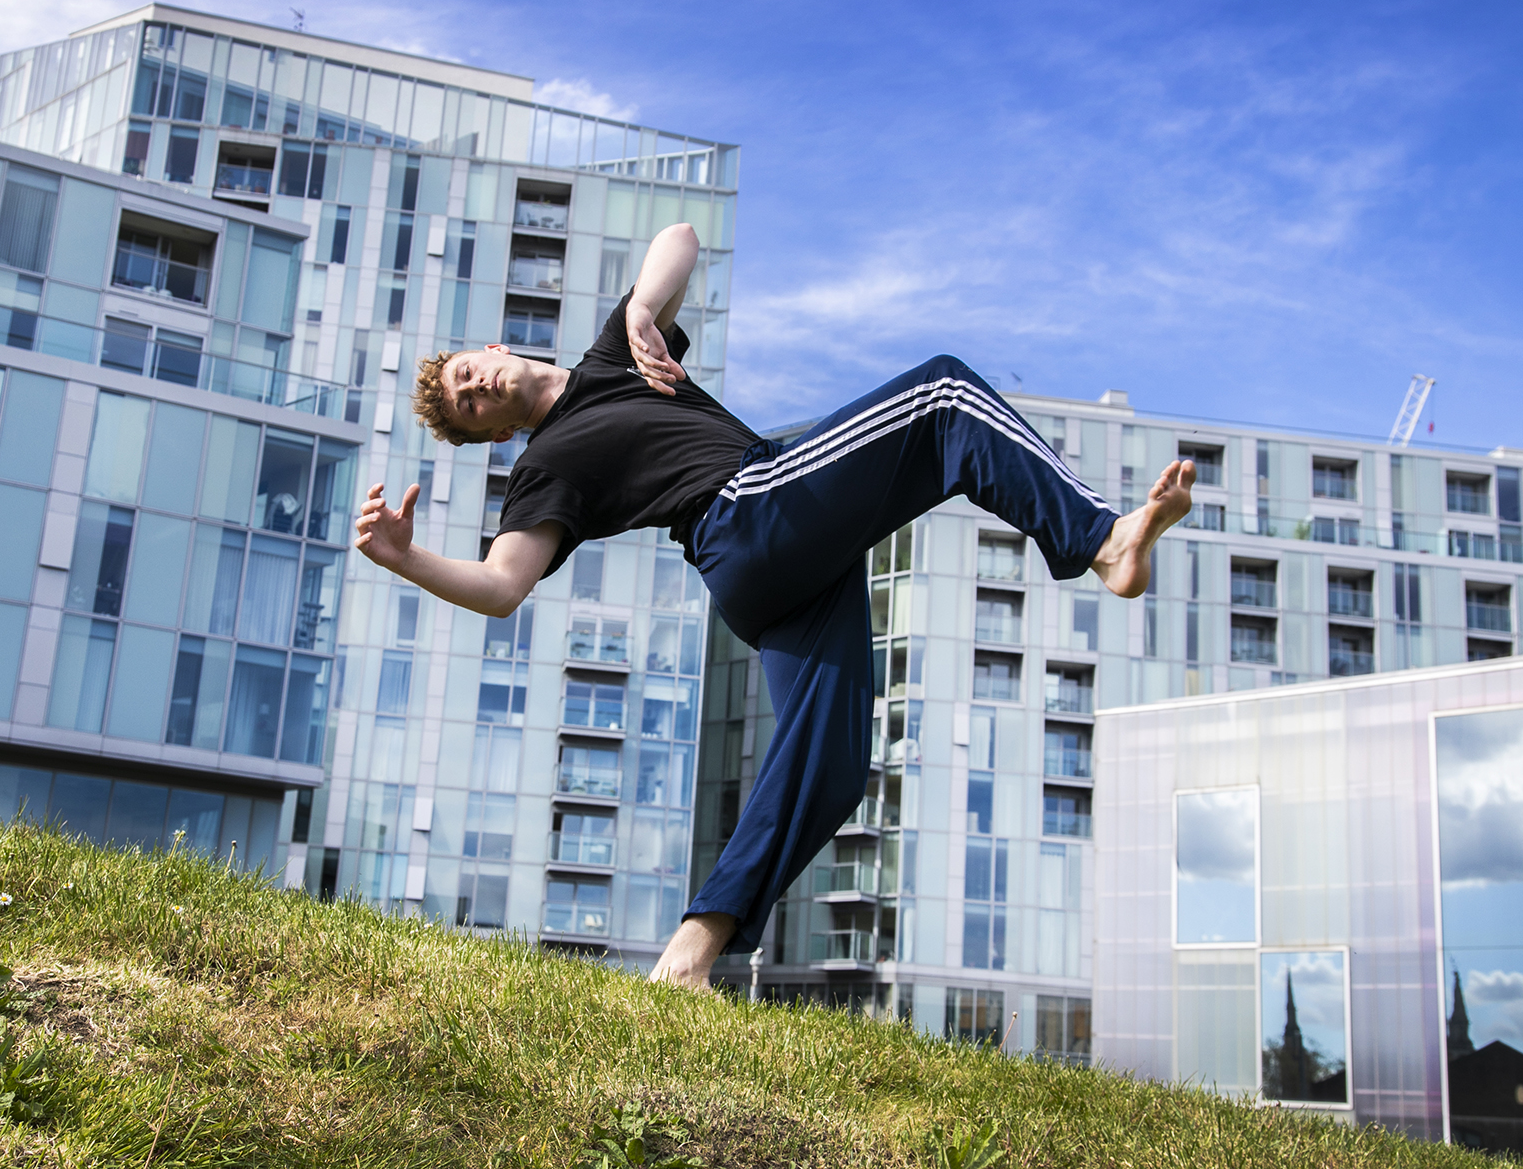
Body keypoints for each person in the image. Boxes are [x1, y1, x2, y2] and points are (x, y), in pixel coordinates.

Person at [355, 222, 1193, 991]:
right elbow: (503, 586)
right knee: (942, 395)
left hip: (776, 572)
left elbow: (680, 237)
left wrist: (646, 307)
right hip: (746, 509)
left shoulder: (615, 354)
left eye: (470, 371)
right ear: (492, 432)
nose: (476, 387)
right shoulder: (544, 466)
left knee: (828, 766)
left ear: (494, 347)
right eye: (469, 405)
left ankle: (689, 955)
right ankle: (1100, 540)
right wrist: (405, 557)